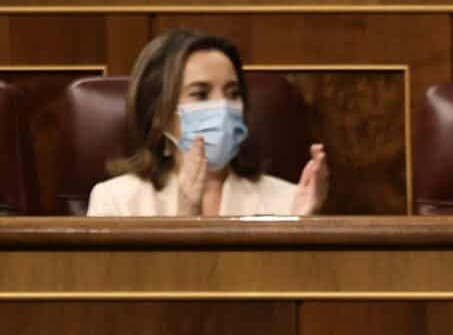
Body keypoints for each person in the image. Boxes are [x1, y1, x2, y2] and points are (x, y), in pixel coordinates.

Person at [88, 31, 327, 218]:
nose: (223, 107)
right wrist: (185, 222)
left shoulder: (288, 201)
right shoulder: (116, 202)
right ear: (159, 114)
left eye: (233, 94)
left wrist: (300, 229)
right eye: (201, 95)